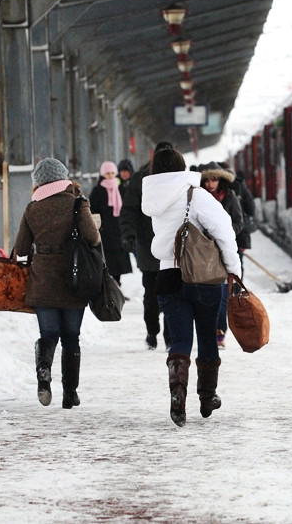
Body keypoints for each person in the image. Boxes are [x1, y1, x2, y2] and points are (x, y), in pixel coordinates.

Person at [142, 147, 241, 427]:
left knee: (181, 339)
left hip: (168, 275)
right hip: (202, 277)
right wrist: (234, 269)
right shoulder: (195, 196)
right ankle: (207, 398)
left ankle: (177, 392)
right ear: (182, 168)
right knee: (208, 335)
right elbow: (224, 231)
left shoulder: (153, 199)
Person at [13, 157, 100, 409]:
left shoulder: (32, 209)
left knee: (48, 334)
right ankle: (70, 394)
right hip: (74, 279)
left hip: (42, 281)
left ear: (38, 183)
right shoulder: (77, 204)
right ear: (64, 178)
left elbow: (20, 248)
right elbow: (93, 238)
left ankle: (43, 370)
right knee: (71, 337)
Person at [121, 141, 174, 351]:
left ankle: (170, 335)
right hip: (149, 245)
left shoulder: (177, 179)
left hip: (170, 246)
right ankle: (152, 332)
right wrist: (129, 235)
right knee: (153, 294)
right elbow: (129, 210)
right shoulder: (141, 179)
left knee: (168, 293)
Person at [200, 162, 244, 349]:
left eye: (214, 179)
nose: (211, 184)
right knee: (206, 292)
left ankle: (220, 332)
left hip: (224, 248)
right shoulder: (198, 198)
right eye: (207, 180)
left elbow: (239, 221)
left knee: (223, 292)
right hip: (204, 251)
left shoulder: (230, 196)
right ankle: (207, 331)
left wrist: (225, 234)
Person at [89, 161, 132, 283]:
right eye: (107, 173)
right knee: (107, 262)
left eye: (113, 173)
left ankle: (117, 286)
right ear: (103, 174)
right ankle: (109, 289)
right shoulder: (98, 191)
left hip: (119, 230)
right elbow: (93, 210)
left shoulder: (121, 189)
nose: (110, 175)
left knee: (119, 262)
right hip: (105, 232)